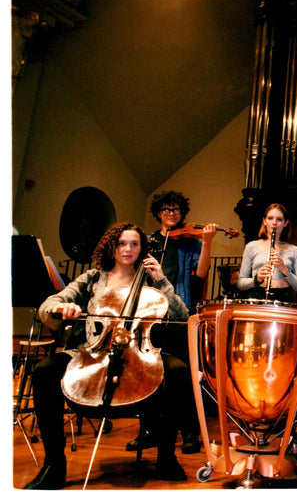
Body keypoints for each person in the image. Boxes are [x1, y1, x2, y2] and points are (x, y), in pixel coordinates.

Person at [24, 223, 192, 489]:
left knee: (178, 370)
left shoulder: (151, 280)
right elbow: (50, 304)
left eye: (134, 244)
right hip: (93, 349)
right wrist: (62, 308)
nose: (127, 249)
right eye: (122, 243)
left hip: (139, 350)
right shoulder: (92, 278)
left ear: (142, 249)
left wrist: (162, 281)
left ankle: (166, 457)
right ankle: (54, 463)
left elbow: (182, 315)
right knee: (45, 370)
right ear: (112, 247)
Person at [127, 190, 216, 454]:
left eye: (176, 209)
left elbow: (201, 273)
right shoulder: (148, 241)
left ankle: (189, 432)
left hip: (178, 313)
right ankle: (149, 430)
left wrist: (207, 242)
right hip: (149, 316)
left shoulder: (189, 243)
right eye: (166, 209)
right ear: (158, 213)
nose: (171, 214)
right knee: (147, 373)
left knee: (184, 374)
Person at [237, 203, 297, 302]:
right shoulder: (251, 247)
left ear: (285, 223)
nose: (274, 223)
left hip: (283, 298)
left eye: (279, 219)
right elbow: (240, 284)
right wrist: (257, 279)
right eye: (270, 218)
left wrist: (284, 269)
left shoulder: (294, 250)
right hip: (257, 296)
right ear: (264, 221)